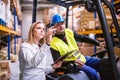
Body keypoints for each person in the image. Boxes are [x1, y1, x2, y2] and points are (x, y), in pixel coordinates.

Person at [48, 14, 105, 80]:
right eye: (57, 24)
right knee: (93, 73)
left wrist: (98, 43)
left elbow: (83, 38)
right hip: (72, 65)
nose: (61, 26)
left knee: (103, 63)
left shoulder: (69, 32)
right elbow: (58, 62)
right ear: (53, 27)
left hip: (82, 58)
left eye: (62, 23)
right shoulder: (53, 43)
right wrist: (73, 62)